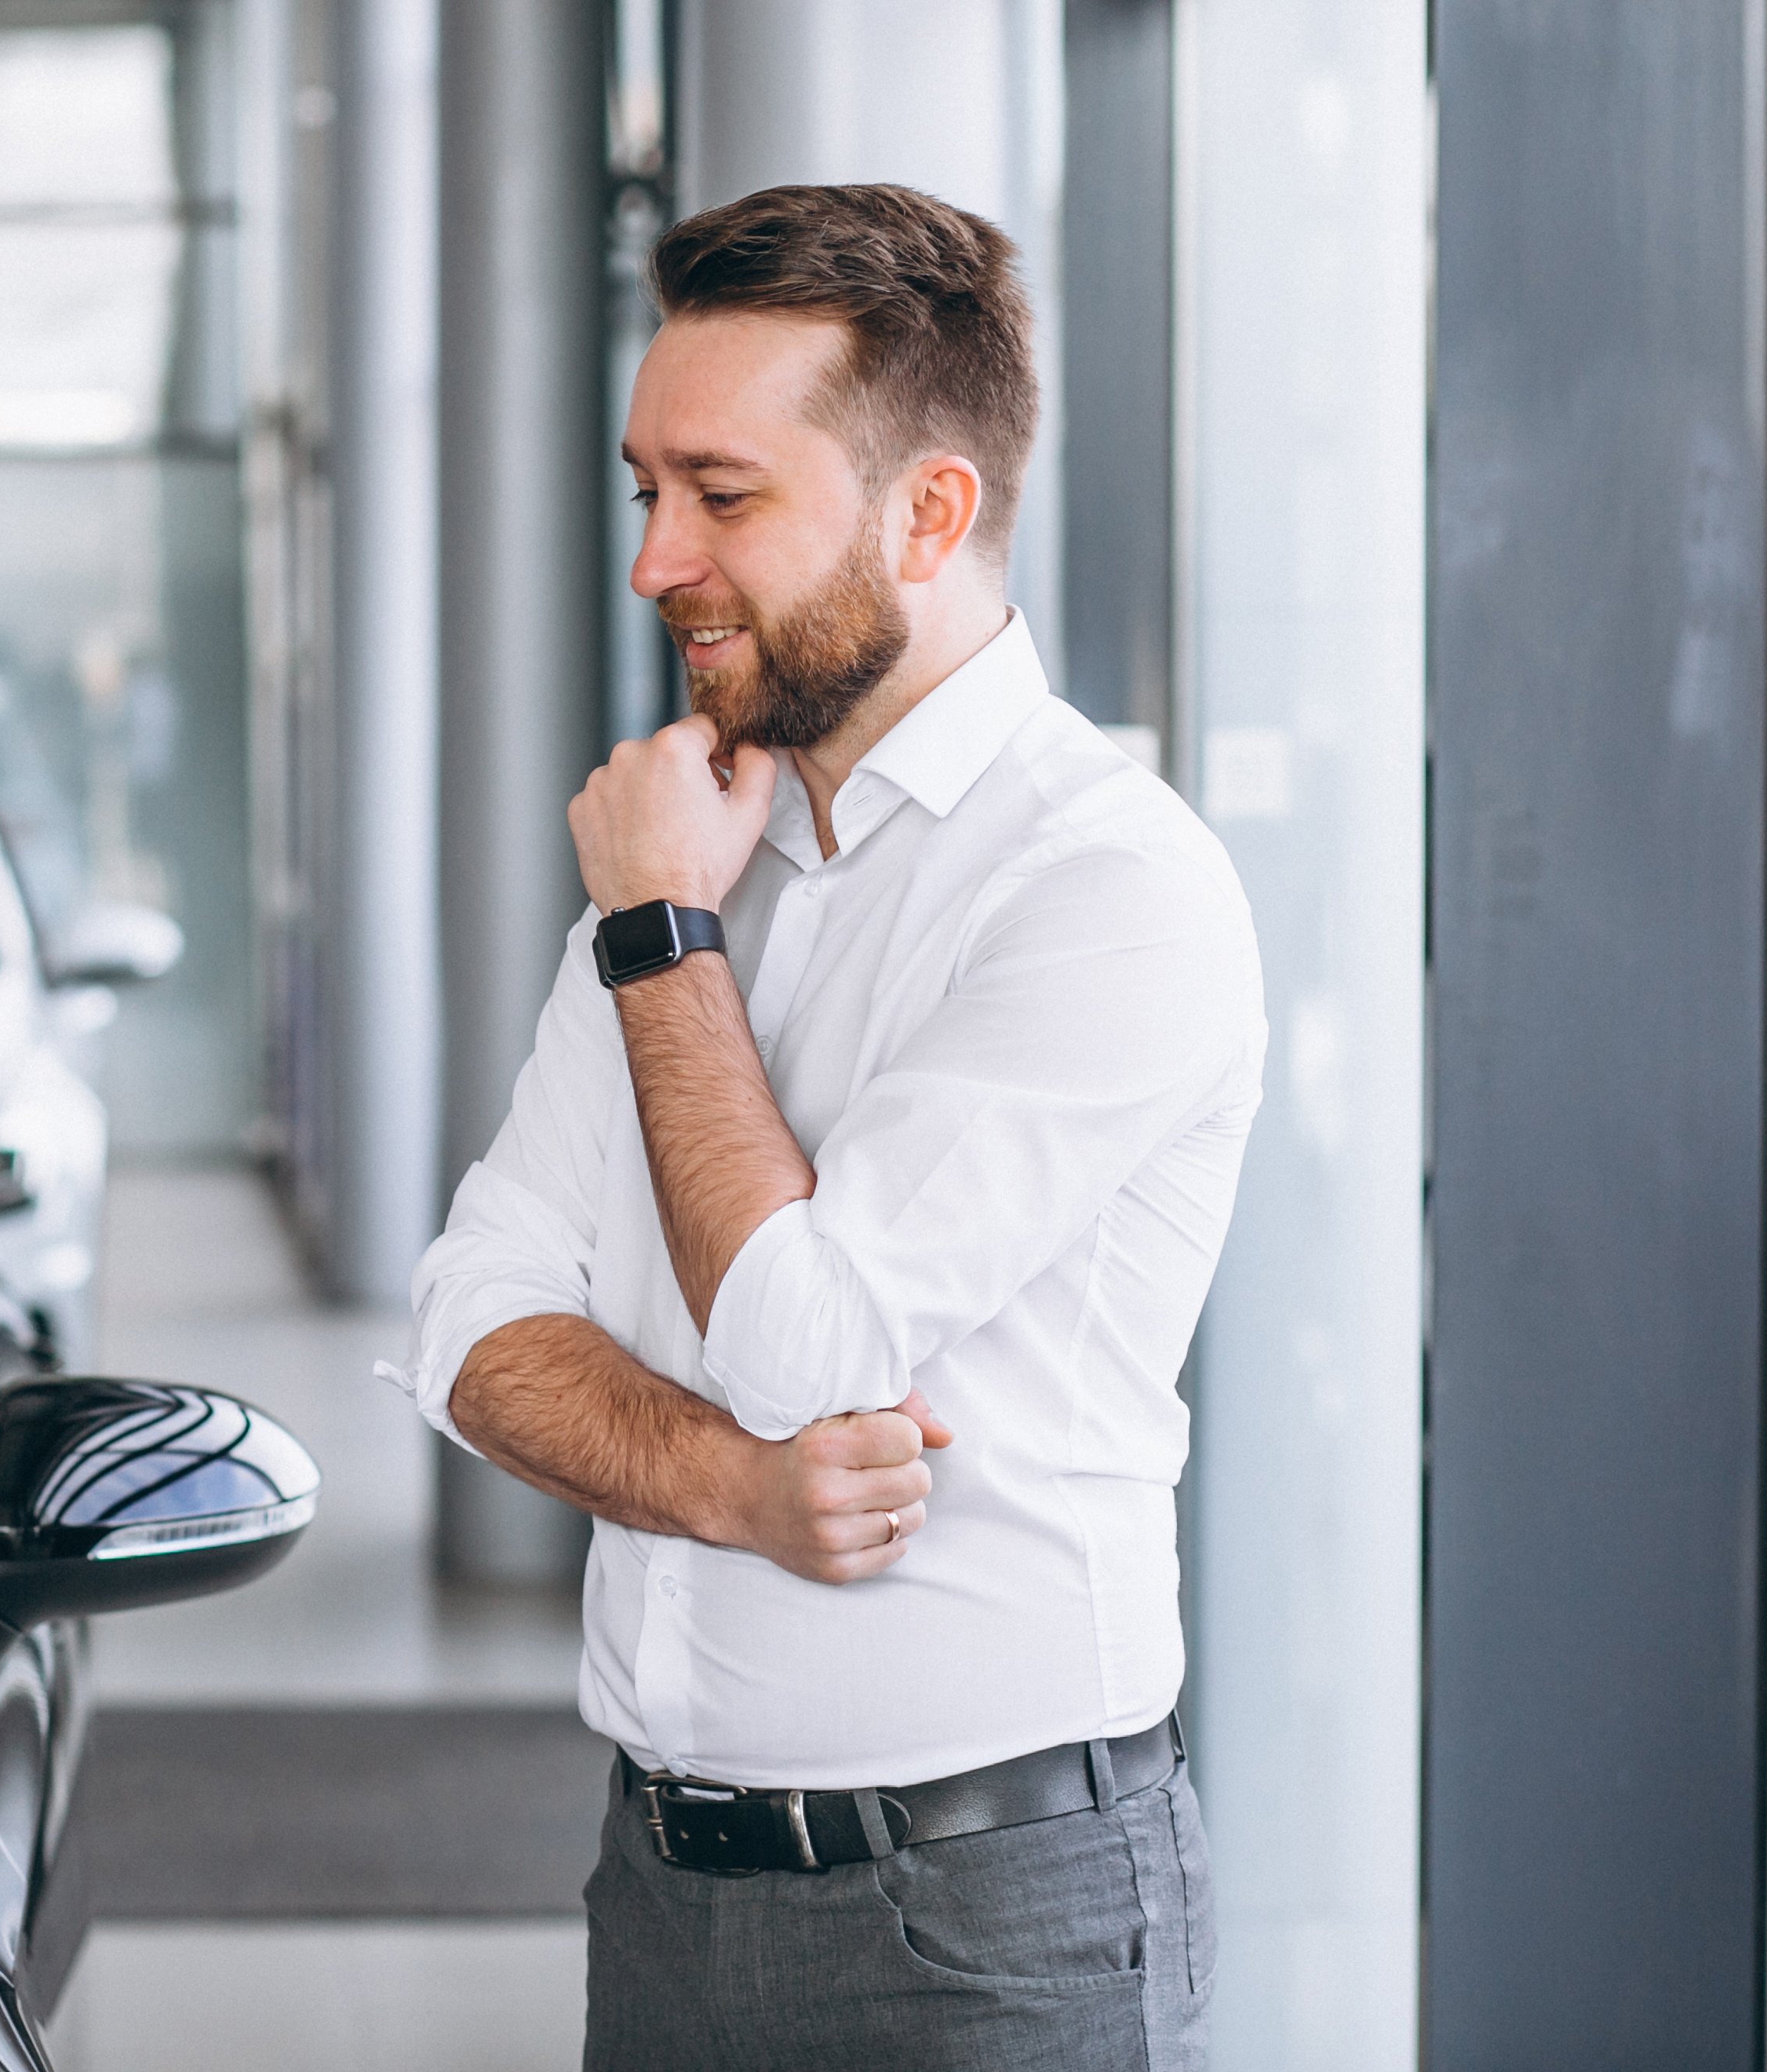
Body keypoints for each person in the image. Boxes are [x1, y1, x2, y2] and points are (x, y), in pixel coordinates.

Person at [388, 183, 1266, 2069]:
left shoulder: (1105, 885)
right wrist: (723, 1492)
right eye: (646, 492)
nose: (655, 564)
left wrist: (657, 942)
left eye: (722, 496)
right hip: (664, 1889)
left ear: (926, 513)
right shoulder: (696, 855)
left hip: (988, 1929)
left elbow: (805, 1345)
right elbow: (466, 1323)